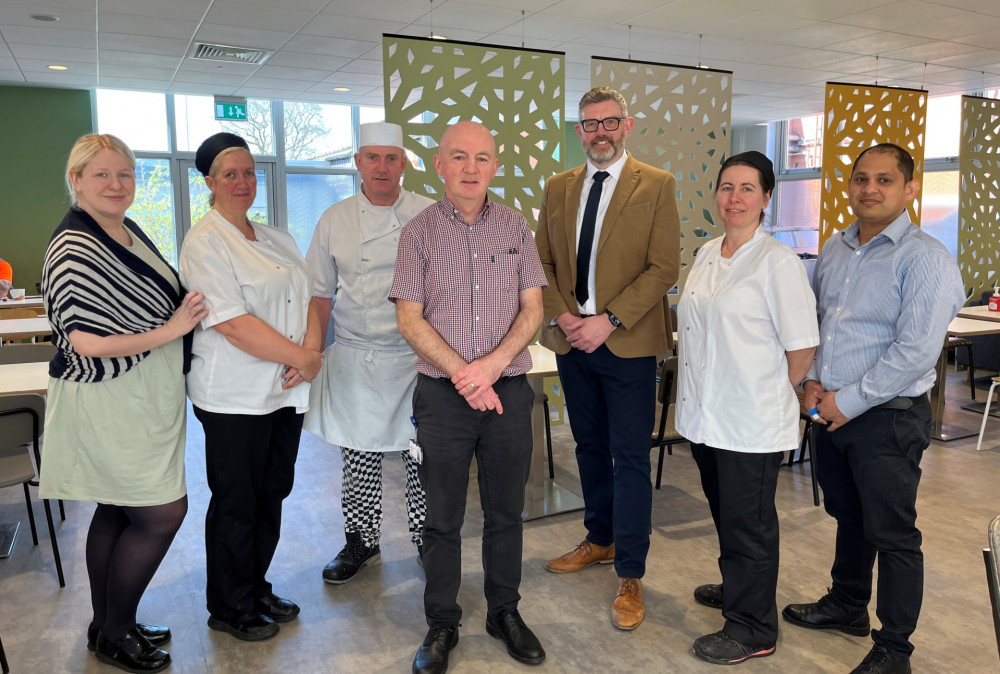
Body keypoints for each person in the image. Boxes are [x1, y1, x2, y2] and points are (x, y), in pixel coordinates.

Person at [782, 143, 964, 674]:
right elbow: (817, 325)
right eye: (861, 178)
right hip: (830, 410)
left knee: (893, 532)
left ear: (910, 189)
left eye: (885, 180)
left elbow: (915, 352)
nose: (870, 188)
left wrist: (849, 400)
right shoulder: (834, 250)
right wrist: (813, 384)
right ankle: (847, 605)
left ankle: (894, 649)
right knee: (850, 516)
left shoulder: (925, 258)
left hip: (886, 415)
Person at [39, 133, 207, 674]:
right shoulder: (73, 248)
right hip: (110, 397)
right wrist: (174, 327)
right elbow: (86, 341)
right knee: (162, 512)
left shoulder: (124, 230)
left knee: (116, 506)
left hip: (144, 395)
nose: (116, 185)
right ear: (76, 180)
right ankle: (115, 632)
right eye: (102, 175)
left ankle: (109, 622)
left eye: (125, 175)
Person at [390, 121, 547, 674]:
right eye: (460, 157)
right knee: (442, 518)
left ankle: (504, 611)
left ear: (495, 166)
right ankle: (442, 622)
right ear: (439, 165)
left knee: (507, 513)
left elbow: (533, 308)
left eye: (482, 158)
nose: (471, 168)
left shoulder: (515, 228)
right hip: (443, 399)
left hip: (508, 394)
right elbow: (409, 319)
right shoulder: (419, 233)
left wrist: (493, 366)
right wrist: (466, 375)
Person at [536, 86, 680, 630]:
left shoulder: (657, 184)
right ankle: (599, 539)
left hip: (627, 344)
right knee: (588, 446)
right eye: (590, 124)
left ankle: (631, 573)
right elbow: (542, 258)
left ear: (628, 125)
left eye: (610, 122)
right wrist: (565, 317)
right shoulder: (558, 187)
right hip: (573, 341)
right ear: (578, 131)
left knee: (631, 457)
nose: (600, 132)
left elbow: (664, 267)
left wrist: (609, 319)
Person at [675, 151, 819, 665]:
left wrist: (764, 394)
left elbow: (801, 347)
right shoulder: (709, 251)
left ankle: (753, 627)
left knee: (749, 524)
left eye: (747, 189)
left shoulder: (777, 262)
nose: (734, 198)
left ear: (766, 198)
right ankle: (741, 587)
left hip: (749, 421)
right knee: (728, 516)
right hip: (706, 418)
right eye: (726, 187)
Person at [178, 132, 323, 642]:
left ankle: (256, 585)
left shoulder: (275, 237)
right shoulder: (204, 241)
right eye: (230, 174)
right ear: (210, 183)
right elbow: (231, 322)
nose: (242, 182)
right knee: (236, 499)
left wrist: (310, 355)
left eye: (248, 172)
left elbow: (308, 298)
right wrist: (304, 358)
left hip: (285, 390)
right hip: (234, 396)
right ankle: (229, 604)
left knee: (272, 492)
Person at [304, 122, 434, 583]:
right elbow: (319, 295)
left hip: (419, 358)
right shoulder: (334, 219)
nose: (382, 167)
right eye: (373, 158)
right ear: (358, 162)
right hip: (358, 356)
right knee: (359, 458)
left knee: (423, 456)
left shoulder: (430, 214)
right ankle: (361, 541)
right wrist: (311, 353)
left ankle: (427, 540)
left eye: (392, 158)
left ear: (404, 164)